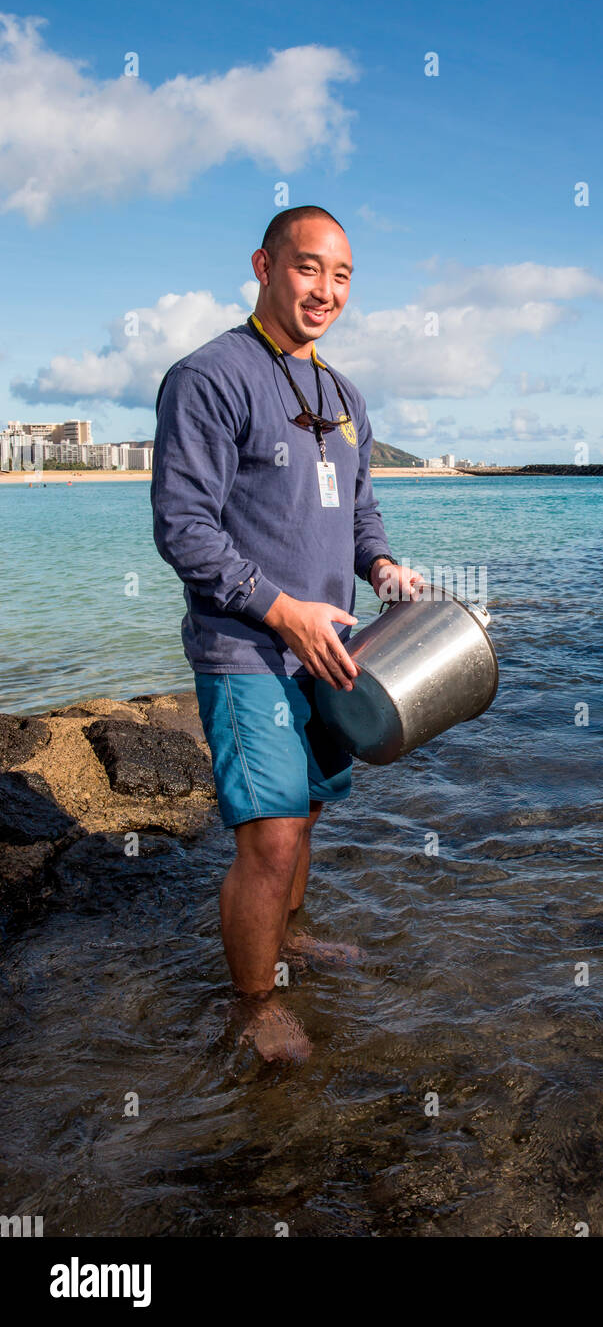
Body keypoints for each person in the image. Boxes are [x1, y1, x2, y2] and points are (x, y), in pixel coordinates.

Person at [151, 206, 423, 1062]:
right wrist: (280, 611)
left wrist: (381, 570)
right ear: (265, 265)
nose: (326, 291)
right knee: (267, 833)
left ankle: (289, 940)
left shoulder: (343, 396)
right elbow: (183, 525)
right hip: (247, 647)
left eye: (341, 277)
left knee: (304, 813)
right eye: (309, 269)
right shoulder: (209, 376)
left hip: (331, 646)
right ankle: (254, 1003)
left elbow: (360, 511)